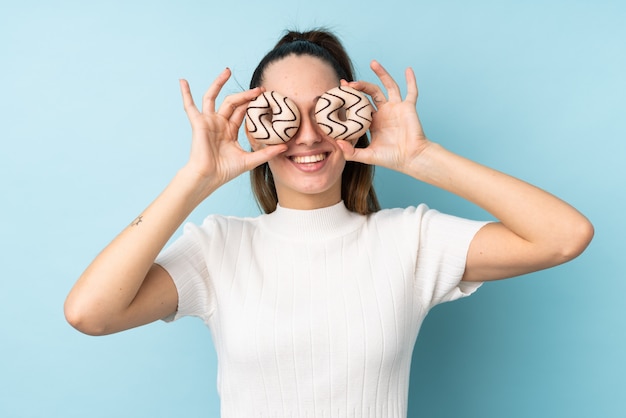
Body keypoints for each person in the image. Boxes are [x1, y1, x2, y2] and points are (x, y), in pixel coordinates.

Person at [64, 29, 593, 417]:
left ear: (356, 119)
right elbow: (90, 313)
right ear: (252, 128)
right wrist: (196, 178)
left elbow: (564, 236)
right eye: (284, 115)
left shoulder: (410, 240)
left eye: (328, 110)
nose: (309, 135)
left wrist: (422, 157)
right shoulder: (220, 247)